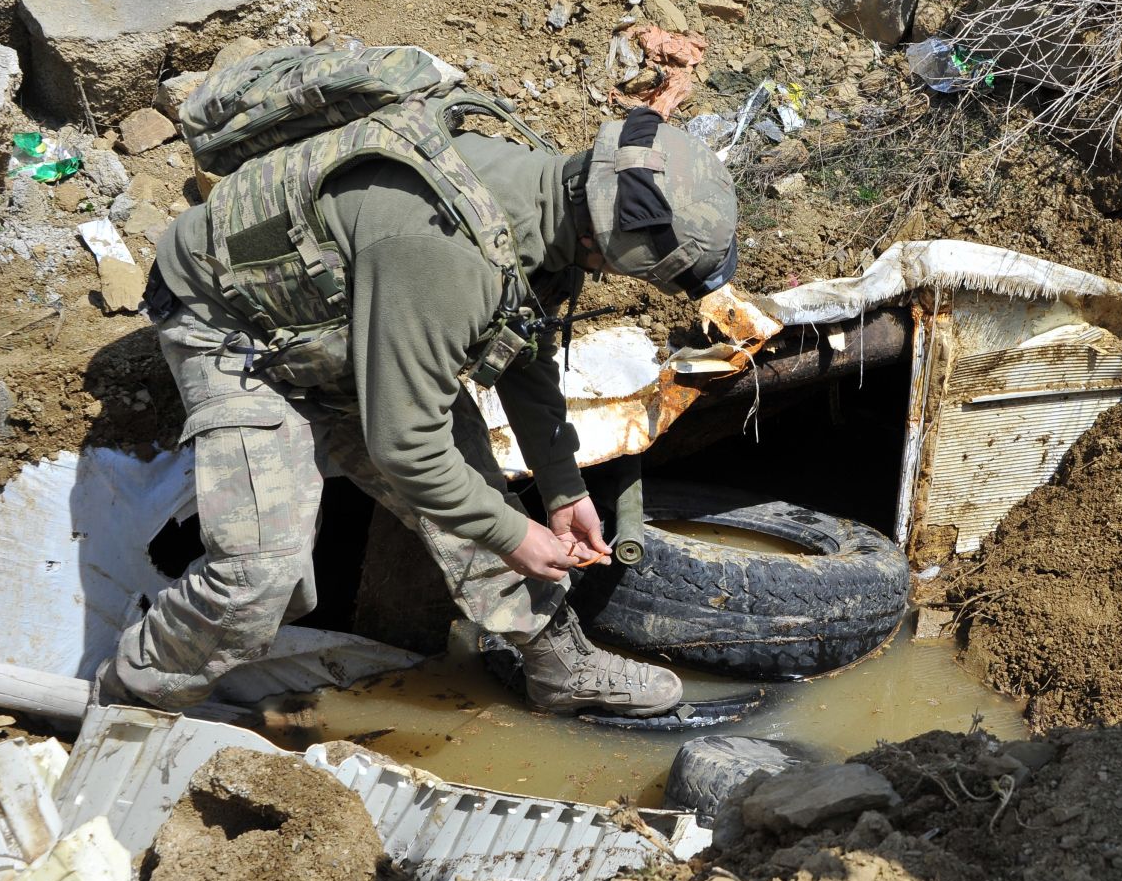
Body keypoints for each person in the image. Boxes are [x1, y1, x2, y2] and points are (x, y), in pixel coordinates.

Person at [94, 105, 738, 717]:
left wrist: (563, 487)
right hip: (234, 327)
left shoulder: (559, 209)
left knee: (474, 497)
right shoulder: (451, 255)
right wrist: (517, 535)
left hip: (348, 318)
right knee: (264, 575)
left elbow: (526, 349)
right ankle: (132, 694)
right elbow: (404, 443)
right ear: (609, 235)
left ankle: (557, 663)